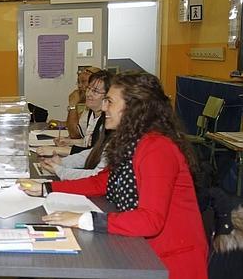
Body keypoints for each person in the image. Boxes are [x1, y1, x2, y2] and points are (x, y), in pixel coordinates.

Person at [20, 73, 208, 279]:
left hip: (169, 261)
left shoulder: (157, 148)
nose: (103, 107)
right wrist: (46, 188)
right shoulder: (129, 140)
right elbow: (102, 182)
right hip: (140, 249)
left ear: (133, 107)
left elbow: (151, 220)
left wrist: (84, 219)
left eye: (109, 101)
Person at [37, 70, 111, 157]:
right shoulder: (92, 112)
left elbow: (94, 153)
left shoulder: (107, 120)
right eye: (89, 88)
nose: (88, 94)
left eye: (95, 91)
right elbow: (89, 141)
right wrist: (69, 142)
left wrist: (59, 150)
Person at [49, 66, 101, 138]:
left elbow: (75, 134)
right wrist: (61, 124)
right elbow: (80, 123)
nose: (79, 86)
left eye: (83, 82)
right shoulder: (89, 109)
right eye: (78, 82)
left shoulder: (97, 107)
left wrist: (72, 106)